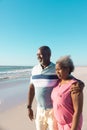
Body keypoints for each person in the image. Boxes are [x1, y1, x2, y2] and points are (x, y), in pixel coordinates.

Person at [27, 46, 84, 130]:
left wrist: (81, 83)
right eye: (37, 54)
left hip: (53, 112)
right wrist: (29, 107)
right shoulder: (34, 69)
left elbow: (69, 77)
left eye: (41, 54)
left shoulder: (56, 68)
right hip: (39, 110)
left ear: (49, 55)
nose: (38, 56)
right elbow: (32, 88)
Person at [51, 55, 84, 130]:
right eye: (56, 70)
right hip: (58, 124)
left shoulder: (75, 86)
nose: (57, 72)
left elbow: (78, 112)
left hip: (70, 125)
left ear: (68, 68)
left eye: (59, 69)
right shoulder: (57, 83)